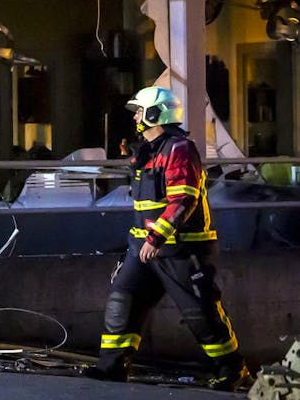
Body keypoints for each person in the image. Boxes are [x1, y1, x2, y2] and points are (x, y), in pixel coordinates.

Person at [86, 86, 250, 391]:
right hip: (142, 247)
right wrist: (144, 242)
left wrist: (156, 238)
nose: (135, 117)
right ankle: (112, 367)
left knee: (200, 313)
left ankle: (232, 371)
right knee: (122, 302)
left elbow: (183, 200)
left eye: (139, 112)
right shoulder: (148, 151)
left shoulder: (180, 150)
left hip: (181, 249)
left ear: (154, 114)